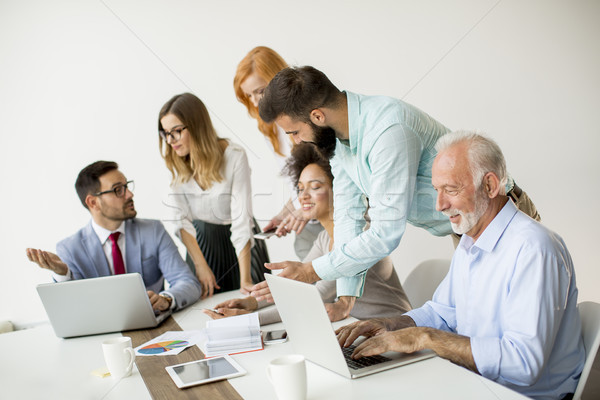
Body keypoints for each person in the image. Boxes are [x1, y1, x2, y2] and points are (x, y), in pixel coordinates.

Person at [251, 65, 540, 302]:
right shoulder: (337, 142)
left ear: (317, 116)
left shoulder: (388, 128)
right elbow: (348, 217)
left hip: (499, 217)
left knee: (514, 325)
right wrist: (347, 296)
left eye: (295, 131)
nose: (297, 141)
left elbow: (386, 231)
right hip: (464, 229)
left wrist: (313, 271)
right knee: (481, 320)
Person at [336, 131, 584, 400]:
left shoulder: (534, 248)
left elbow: (524, 364)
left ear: (489, 186)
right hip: (475, 384)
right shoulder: (470, 240)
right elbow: (444, 312)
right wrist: (393, 324)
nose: (440, 205)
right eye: (437, 190)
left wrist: (426, 338)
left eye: (451, 190)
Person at [204, 143, 412, 324]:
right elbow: (294, 283)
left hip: (396, 330)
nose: (303, 196)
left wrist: (248, 320)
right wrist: (251, 302)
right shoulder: (324, 238)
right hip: (360, 329)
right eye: (300, 188)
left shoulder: (360, 236)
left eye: (315, 187)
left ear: (340, 190)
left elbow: (316, 295)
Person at [26, 161, 201, 312]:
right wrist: (63, 274)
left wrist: (167, 299)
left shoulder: (153, 231)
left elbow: (188, 283)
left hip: (156, 327)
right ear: (93, 202)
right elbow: (73, 308)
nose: (129, 194)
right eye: (118, 190)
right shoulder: (70, 249)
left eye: (127, 186)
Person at [158, 92, 269, 298]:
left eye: (176, 131)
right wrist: (200, 266)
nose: (171, 140)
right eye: (166, 133)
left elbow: (241, 219)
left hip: (242, 242)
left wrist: (245, 279)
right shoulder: (175, 162)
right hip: (201, 243)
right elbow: (180, 221)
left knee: (253, 302)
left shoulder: (234, 156)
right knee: (204, 303)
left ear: (197, 126)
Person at [234, 46, 323, 259]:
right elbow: (300, 187)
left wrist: (306, 210)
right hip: (307, 226)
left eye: (260, 91)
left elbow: (333, 180)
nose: (255, 102)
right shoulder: (270, 129)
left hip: (332, 221)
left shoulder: (312, 118)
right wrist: (286, 213)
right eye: (249, 95)